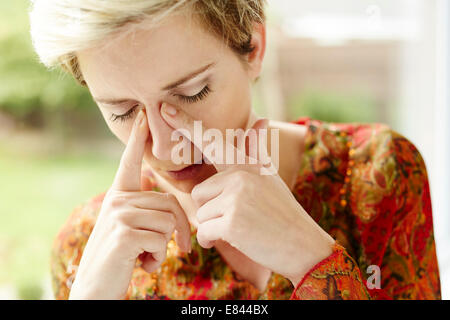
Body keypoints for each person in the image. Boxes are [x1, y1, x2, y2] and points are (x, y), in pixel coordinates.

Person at [29, 0, 441, 300]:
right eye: (123, 112)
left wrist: (309, 257)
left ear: (254, 47)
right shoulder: (84, 248)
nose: (169, 146)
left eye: (192, 93)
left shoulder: (377, 174)